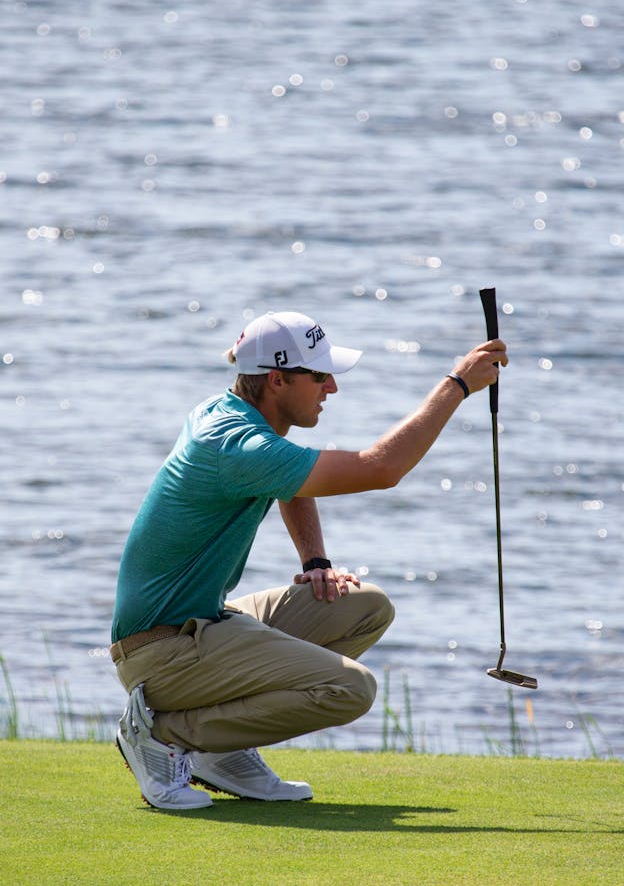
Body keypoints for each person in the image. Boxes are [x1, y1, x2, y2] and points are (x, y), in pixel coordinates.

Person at [110, 309, 508, 809]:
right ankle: (165, 734)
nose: (332, 388)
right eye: (319, 375)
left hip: (202, 623)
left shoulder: (234, 414)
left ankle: (221, 750)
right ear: (277, 380)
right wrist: (458, 384)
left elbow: (287, 475)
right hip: (162, 651)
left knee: (366, 606)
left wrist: (315, 559)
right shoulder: (235, 445)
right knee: (351, 689)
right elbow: (382, 469)